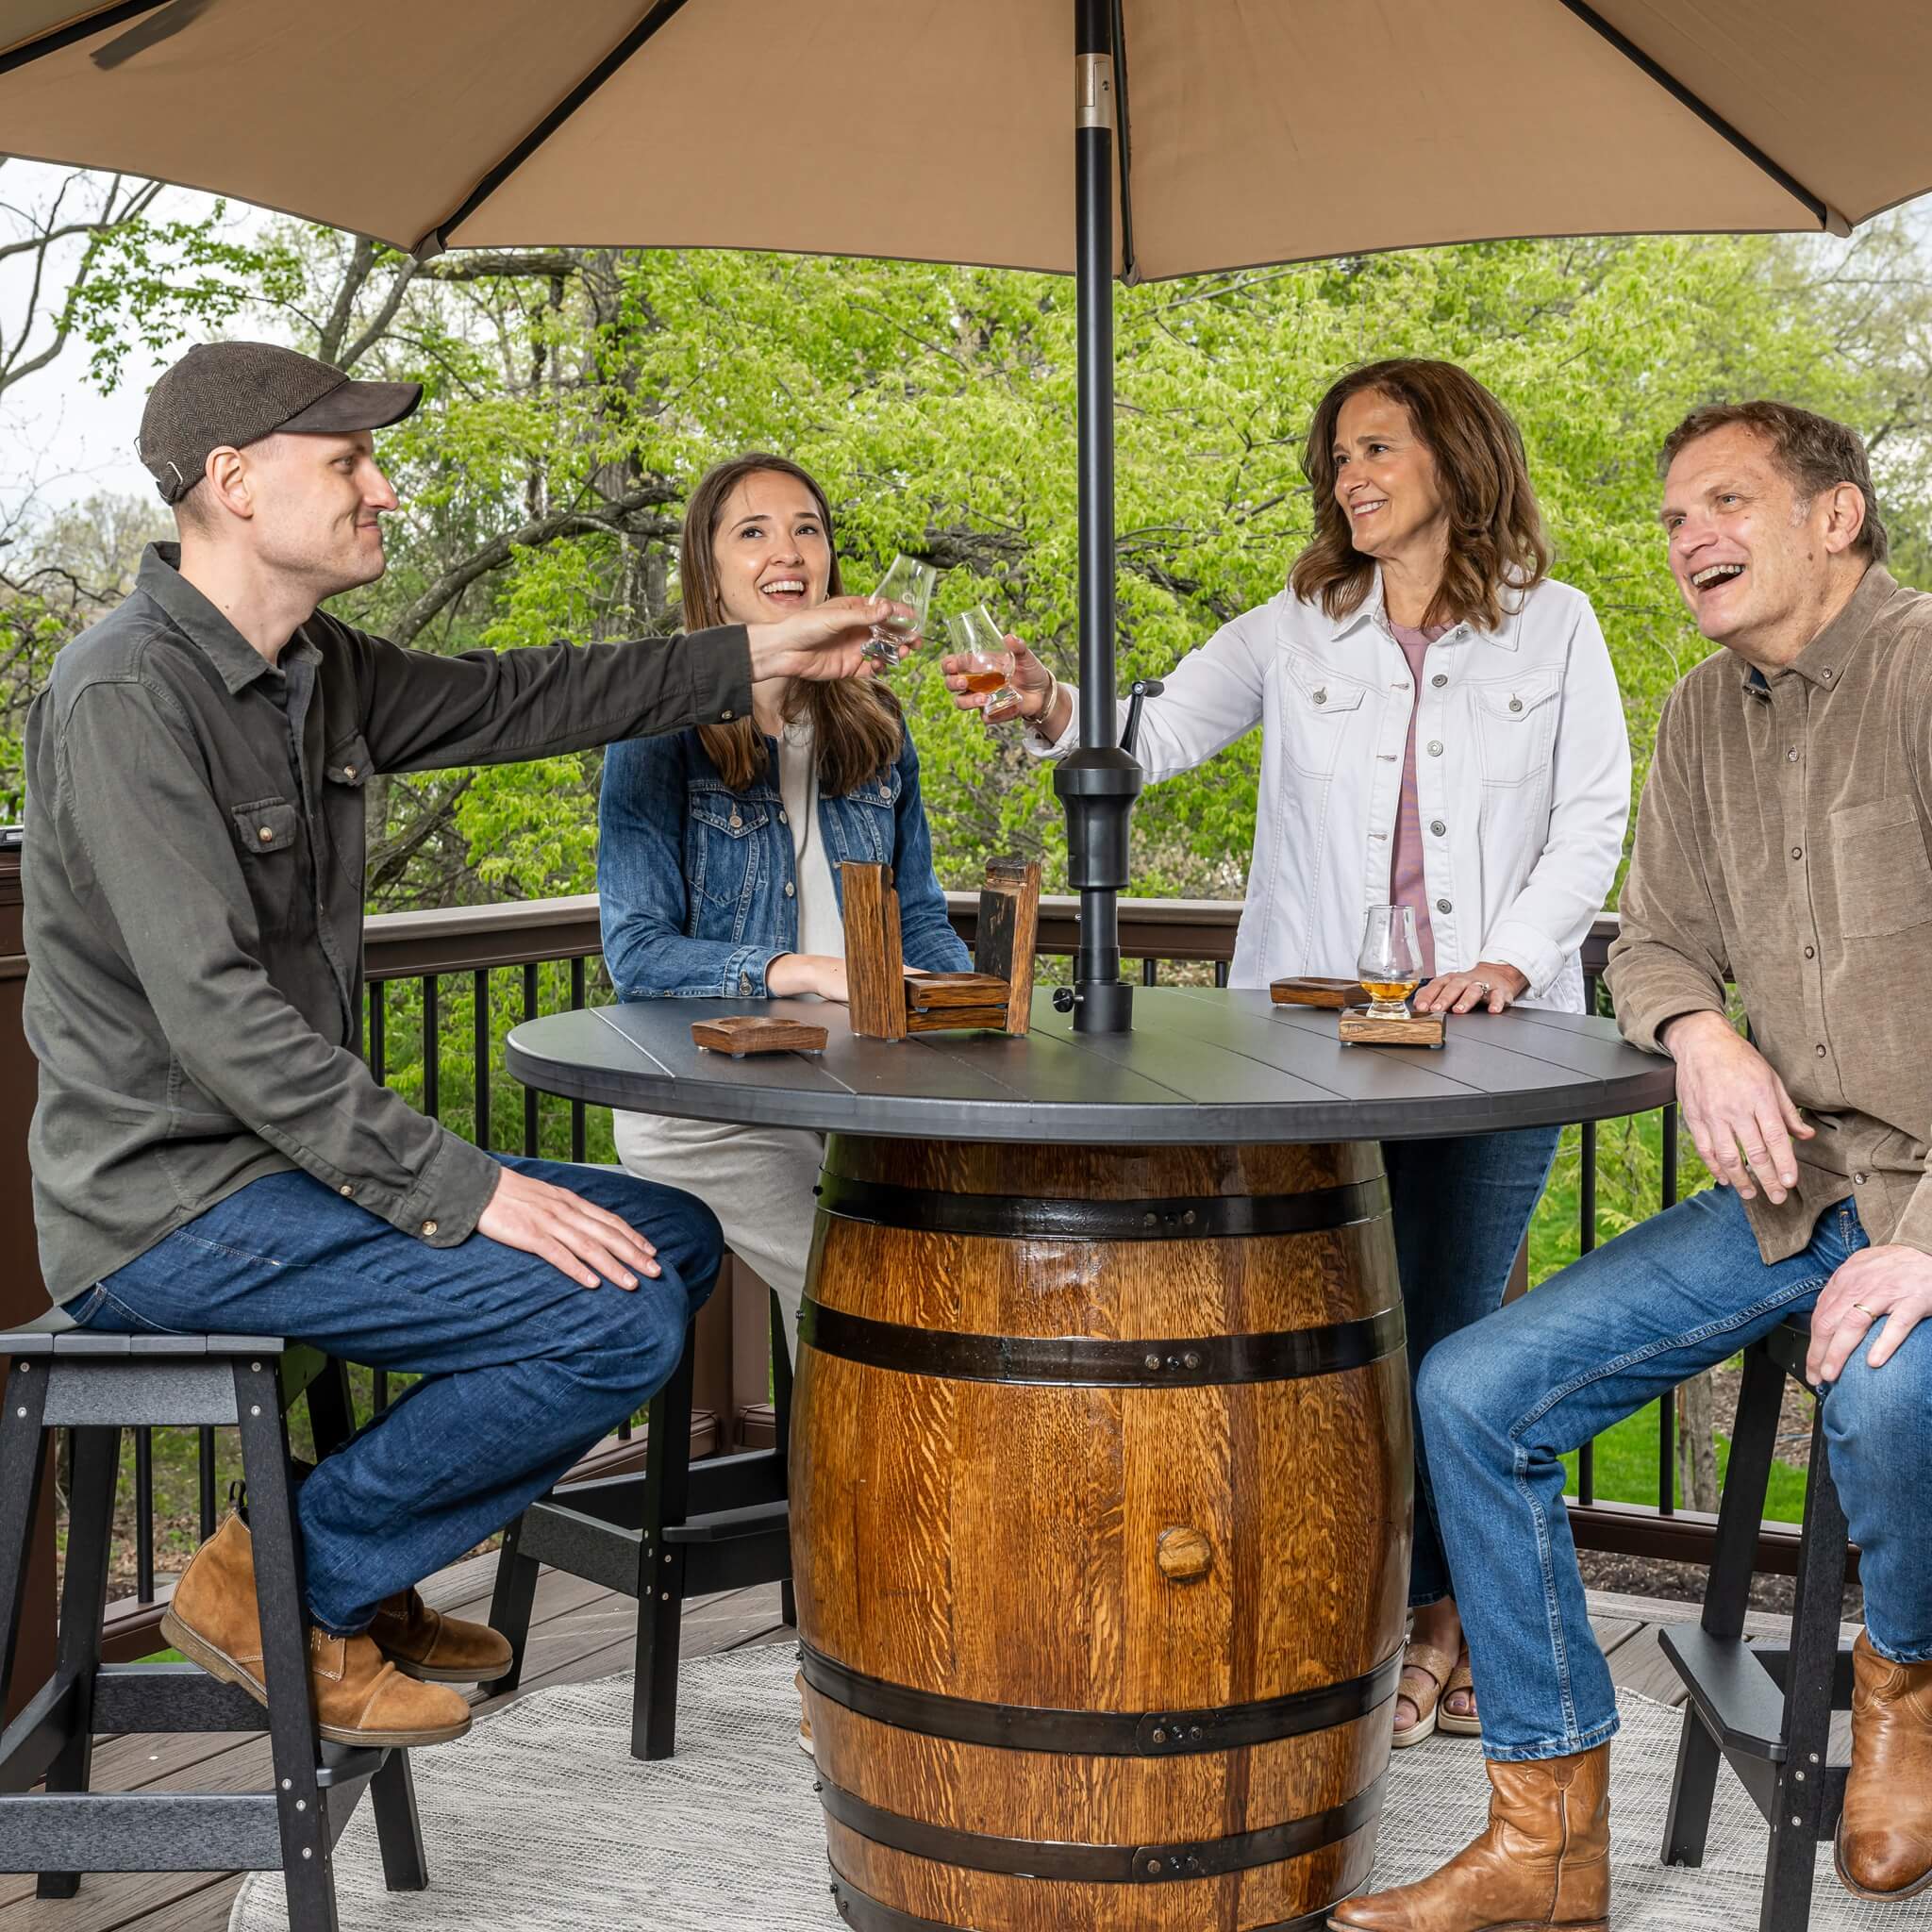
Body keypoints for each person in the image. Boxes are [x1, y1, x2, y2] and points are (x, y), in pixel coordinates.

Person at [21, 343, 910, 1750]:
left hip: (280, 1177)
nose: (382, 487)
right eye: (348, 461)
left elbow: (524, 698)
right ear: (236, 485)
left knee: (665, 1238)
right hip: (167, 1208)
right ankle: (291, 1579)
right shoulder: (126, 696)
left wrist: (754, 652)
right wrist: (472, 1189)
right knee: (607, 1310)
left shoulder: (318, 670)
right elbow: (221, 1022)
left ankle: (325, 1570)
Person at [952, 358, 1631, 1749]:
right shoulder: (1297, 624)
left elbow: (1591, 814)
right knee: (1329, 1321)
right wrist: (1043, 705)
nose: (1351, 478)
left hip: (1501, 1038)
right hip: (1318, 1040)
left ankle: (1441, 1622)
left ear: (1453, 456)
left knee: (1460, 1329)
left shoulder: (1555, 628)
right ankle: (1363, 1614)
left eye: (1376, 449)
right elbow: (1155, 729)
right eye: (1336, 459)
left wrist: (1508, 954)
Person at [1334, 400, 1932, 1931]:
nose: (1687, 540)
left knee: (1881, 1383)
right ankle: (1543, 1842)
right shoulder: (1695, 716)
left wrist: (1921, 1239)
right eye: (1671, 517)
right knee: (1471, 1390)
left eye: (1724, 502)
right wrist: (1698, 1034)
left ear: (1834, 519)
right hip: (1791, 1181)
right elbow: (1651, 934)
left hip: (1926, 1194)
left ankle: (1905, 1693)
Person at [597, 454, 971, 1347]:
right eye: (753, 532)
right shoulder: (659, 729)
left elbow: (916, 915)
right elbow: (639, 953)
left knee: (981, 1257)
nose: (788, 550)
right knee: (872, 1298)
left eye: (807, 527)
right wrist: (805, 971)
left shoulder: (876, 723)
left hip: (861, 1089)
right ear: (712, 572)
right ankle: (864, 1490)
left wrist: (969, 1013)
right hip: (709, 1107)